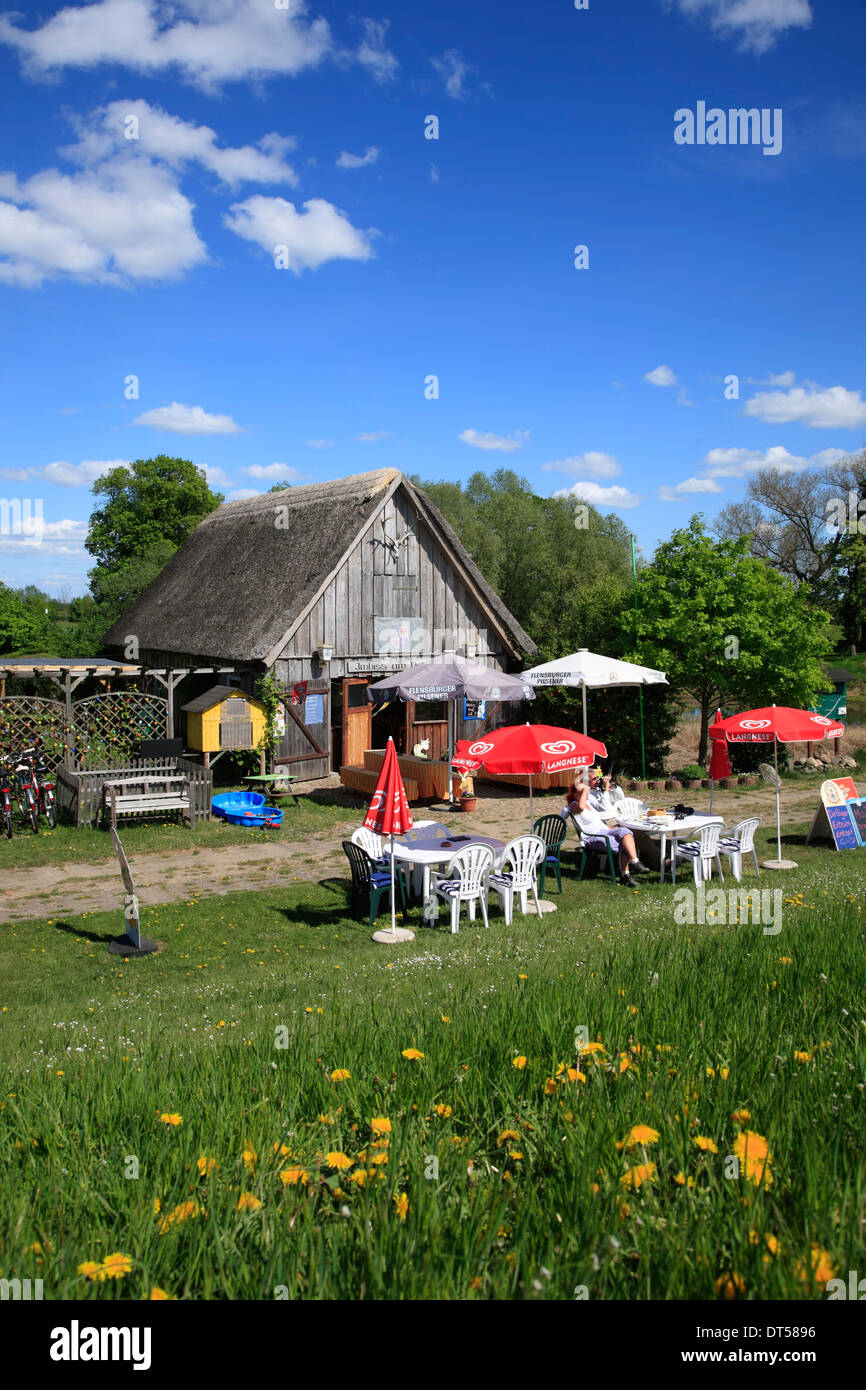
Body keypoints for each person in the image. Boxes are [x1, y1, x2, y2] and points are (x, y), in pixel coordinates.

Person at [567, 780, 651, 887]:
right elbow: (581, 807)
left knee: (626, 832)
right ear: (574, 794)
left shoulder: (588, 804)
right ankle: (625, 876)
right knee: (623, 843)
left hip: (604, 830)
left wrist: (614, 828)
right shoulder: (573, 805)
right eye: (582, 791)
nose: (586, 793)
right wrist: (585, 790)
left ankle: (635, 862)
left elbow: (597, 821)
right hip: (592, 838)